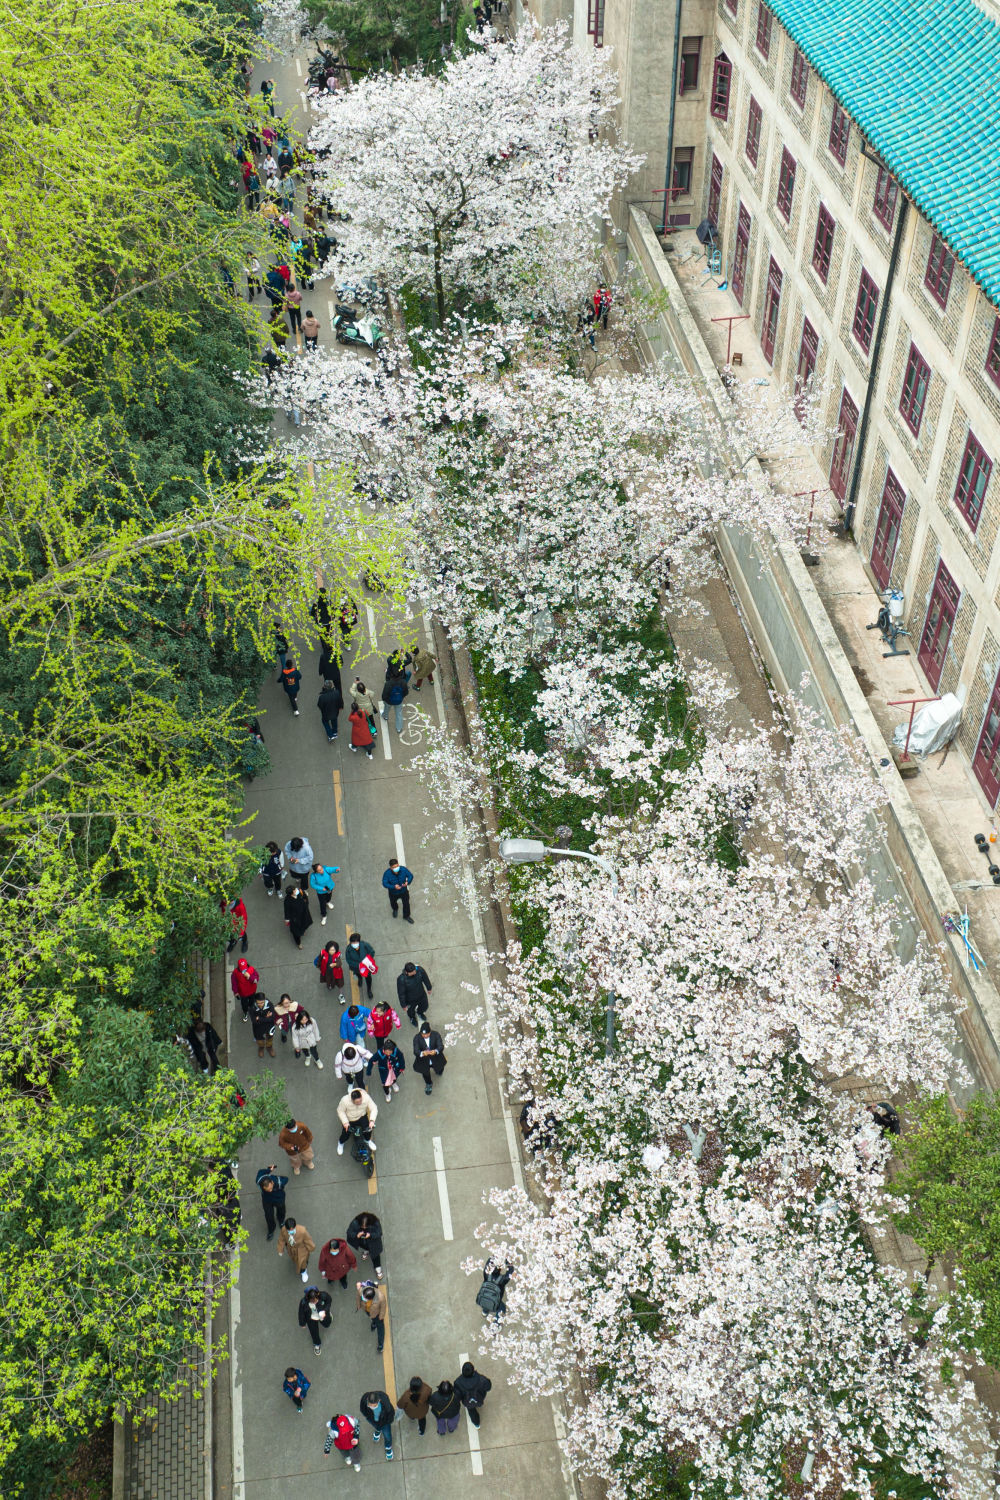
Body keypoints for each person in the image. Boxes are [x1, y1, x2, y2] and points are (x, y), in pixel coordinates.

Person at [336, 1087, 378, 1154]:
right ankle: (341, 1142)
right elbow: (340, 1111)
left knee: (368, 1130)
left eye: (360, 1101)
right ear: (352, 1100)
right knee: (346, 1133)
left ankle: (367, 1140)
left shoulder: (366, 1097)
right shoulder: (344, 1100)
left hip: (362, 1116)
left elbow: (374, 1108)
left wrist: (372, 1120)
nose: (359, 1103)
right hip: (349, 1119)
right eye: (357, 1102)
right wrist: (345, 1122)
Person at [359, 1389, 396, 1460]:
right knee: (376, 1426)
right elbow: (362, 1409)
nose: (372, 1406)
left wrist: (388, 1422)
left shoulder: (384, 1400)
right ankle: (378, 1430)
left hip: (385, 1422)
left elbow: (390, 1411)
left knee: (387, 1436)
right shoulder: (364, 1399)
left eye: (374, 1405)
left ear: (379, 1401)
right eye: (370, 1405)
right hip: (373, 1420)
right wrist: (368, 1417)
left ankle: (388, 1447)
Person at [278, 1217, 316, 1283]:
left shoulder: (302, 1231)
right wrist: (280, 1249)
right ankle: (301, 1266)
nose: (291, 1232)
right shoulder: (284, 1230)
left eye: (292, 1230)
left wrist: (311, 1248)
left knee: (302, 1262)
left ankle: (303, 1272)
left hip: (301, 1250)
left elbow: (308, 1240)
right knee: (295, 1259)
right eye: (289, 1230)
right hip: (291, 1249)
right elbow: (281, 1239)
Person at [255, 1164, 288, 1240]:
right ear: (262, 1186)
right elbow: (260, 1171)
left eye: (271, 1188)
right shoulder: (258, 1180)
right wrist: (269, 1170)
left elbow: (286, 1179)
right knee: (268, 1216)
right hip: (267, 1200)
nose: (270, 1191)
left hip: (279, 1198)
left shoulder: (279, 1181)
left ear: (272, 1183)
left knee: (281, 1210)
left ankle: (281, 1220)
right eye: (267, 1190)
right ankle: (271, 1230)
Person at [454, 1361, 492, 1428]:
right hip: (479, 1399)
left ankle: (477, 1424)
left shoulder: (458, 1382)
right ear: (473, 1370)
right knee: (478, 1403)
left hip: (468, 1402)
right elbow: (488, 1387)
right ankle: (478, 1405)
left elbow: (457, 1397)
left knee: (472, 1412)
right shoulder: (481, 1379)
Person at [346, 1211, 383, 1277]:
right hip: (362, 1242)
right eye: (362, 1227)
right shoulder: (355, 1223)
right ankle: (366, 1251)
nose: (364, 1228)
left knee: (376, 1255)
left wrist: (371, 1235)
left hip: (373, 1243)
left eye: (366, 1227)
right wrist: (356, 1235)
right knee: (364, 1247)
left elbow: (379, 1233)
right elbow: (349, 1232)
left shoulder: (375, 1222)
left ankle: (377, 1267)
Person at [413, 1023, 447, 1096]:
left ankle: (438, 1071)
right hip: (424, 1061)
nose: (425, 1036)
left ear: (430, 1032)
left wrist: (436, 1051)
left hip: (436, 1058)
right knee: (425, 1073)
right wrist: (422, 1053)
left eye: (427, 1034)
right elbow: (416, 1051)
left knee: (440, 1067)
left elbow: (441, 1046)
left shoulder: (436, 1035)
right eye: (423, 1034)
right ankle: (428, 1083)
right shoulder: (417, 1038)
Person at [370, 1035, 406, 1102]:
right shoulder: (379, 1053)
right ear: (384, 1049)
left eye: (390, 1052)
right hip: (384, 1071)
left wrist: (402, 1067)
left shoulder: (396, 1050)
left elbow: (401, 1057)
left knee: (394, 1077)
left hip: (394, 1068)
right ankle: (387, 1093)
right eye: (387, 1052)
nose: (388, 1053)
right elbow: (372, 1059)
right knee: (385, 1084)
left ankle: (393, 1083)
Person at [356, 1280, 388, 1354]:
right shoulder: (362, 1291)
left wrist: (381, 1316)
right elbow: (358, 1296)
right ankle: (373, 1323)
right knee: (371, 1317)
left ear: (371, 1298)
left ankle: (380, 1344)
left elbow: (383, 1307)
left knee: (380, 1328)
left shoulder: (381, 1297)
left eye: (365, 1298)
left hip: (377, 1314)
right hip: (368, 1311)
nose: (363, 1298)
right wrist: (358, 1305)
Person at [298, 1285, 332, 1354]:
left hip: (322, 1314)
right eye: (312, 1301)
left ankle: (329, 1317)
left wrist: (325, 1310)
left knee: (327, 1323)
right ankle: (317, 1344)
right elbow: (301, 1313)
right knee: (314, 1332)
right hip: (311, 1318)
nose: (314, 1302)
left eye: (315, 1300)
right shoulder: (304, 1302)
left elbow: (329, 1301)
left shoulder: (323, 1295)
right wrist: (302, 1323)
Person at [397, 962, 432, 1026]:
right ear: (407, 972)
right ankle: (412, 1018)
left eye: (415, 970)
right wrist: (403, 1005)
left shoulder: (420, 970)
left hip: (421, 995)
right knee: (410, 1011)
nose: (415, 972)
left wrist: (429, 988)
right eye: (412, 972)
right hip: (410, 1000)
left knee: (425, 1006)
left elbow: (425, 979)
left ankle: (420, 1013)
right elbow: (401, 994)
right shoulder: (401, 979)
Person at [381, 858, 414, 923]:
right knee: (393, 903)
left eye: (397, 866)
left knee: (406, 904)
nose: (396, 868)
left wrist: (407, 882)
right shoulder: (387, 874)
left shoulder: (403, 869)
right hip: (393, 893)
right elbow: (384, 883)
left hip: (403, 891)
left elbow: (410, 875)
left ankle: (406, 916)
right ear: (390, 868)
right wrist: (393, 887)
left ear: (398, 865)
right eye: (394, 867)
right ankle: (395, 909)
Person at [345, 934, 376, 999]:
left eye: (356, 942)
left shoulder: (365, 945)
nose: (354, 944)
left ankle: (369, 990)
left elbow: (372, 952)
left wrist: (367, 959)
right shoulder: (348, 949)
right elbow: (348, 960)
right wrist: (359, 965)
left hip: (366, 967)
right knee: (358, 975)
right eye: (352, 942)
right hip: (356, 968)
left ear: (359, 941)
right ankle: (360, 979)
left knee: (368, 978)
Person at [380, 666, 409, 734]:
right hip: (398, 701)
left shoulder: (388, 683)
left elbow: (384, 695)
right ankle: (399, 728)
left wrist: (385, 700)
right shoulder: (403, 682)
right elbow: (406, 692)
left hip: (389, 701)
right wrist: (401, 697)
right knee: (399, 714)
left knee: (386, 708)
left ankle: (385, 716)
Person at [251, 993, 278, 1059]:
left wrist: (260, 1018)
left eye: (262, 1002)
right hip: (258, 1027)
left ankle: (269, 1047)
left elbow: (272, 1018)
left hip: (269, 1026)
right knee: (259, 1039)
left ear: (265, 1000)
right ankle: (261, 1048)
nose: (260, 1005)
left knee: (270, 1037)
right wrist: (266, 1017)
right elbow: (254, 1021)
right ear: (255, 1001)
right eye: (258, 1003)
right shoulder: (252, 1007)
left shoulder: (269, 1005)